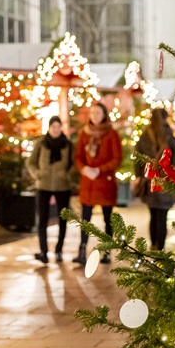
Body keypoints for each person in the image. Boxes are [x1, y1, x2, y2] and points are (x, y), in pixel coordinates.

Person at [74, 102, 122, 265]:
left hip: (104, 182)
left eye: (98, 113)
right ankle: (82, 250)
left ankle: (107, 250)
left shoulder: (111, 134)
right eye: (92, 112)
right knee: (85, 218)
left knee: (107, 218)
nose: (95, 115)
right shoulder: (84, 133)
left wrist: (100, 170)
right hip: (88, 182)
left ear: (104, 115)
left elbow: (117, 158)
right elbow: (78, 156)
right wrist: (84, 169)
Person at [27, 115, 73, 264]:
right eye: (53, 127)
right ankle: (43, 251)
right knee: (43, 219)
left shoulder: (67, 144)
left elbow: (74, 164)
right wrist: (38, 175)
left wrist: (67, 175)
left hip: (62, 186)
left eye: (58, 127)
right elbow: (31, 162)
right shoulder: (41, 143)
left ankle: (59, 250)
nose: (56, 129)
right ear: (49, 128)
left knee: (63, 219)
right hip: (43, 185)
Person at [132, 109, 175, 251]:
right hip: (166, 180)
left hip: (150, 180)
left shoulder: (145, 135)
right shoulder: (170, 135)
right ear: (165, 118)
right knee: (162, 217)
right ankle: (161, 247)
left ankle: (153, 245)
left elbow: (138, 158)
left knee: (153, 215)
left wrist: (139, 175)